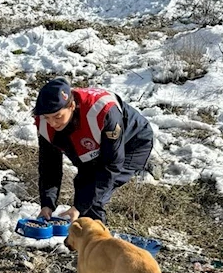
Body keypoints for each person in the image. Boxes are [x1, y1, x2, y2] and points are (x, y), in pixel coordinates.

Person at [34, 78, 153, 225]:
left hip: (132, 142)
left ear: (71, 105)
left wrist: (79, 207)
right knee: (83, 187)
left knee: (93, 201)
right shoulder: (45, 124)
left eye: (57, 116)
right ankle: (85, 242)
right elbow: (49, 166)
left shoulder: (102, 112)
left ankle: (100, 244)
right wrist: (47, 204)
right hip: (90, 142)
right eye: (47, 118)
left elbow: (111, 165)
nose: (52, 123)